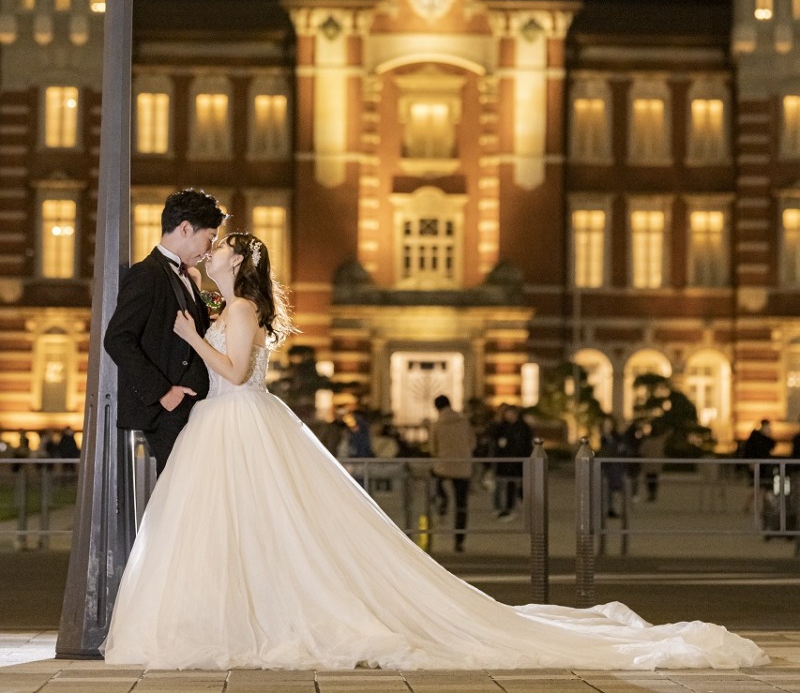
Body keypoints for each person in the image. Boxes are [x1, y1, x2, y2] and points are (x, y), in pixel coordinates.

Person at [104, 231, 766, 672]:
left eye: (220, 248)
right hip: (226, 427)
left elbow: (238, 366)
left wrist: (193, 339)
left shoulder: (240, 308)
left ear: (240, 264)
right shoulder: (228, 298)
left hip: (238, 420)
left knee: (271, 531)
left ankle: (251, 620)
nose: (211, 251)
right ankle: (239, 619)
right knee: (249, 531)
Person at [104, 188, 227, 474]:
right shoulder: (147, 274)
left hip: (190, 409)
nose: (209, 249)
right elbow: (117, 338)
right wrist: (163, 393)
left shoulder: (183, 275)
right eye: (209, 238)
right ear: (185, 228)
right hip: (169, 411)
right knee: (180, 493)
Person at [429, 393, 476, 552]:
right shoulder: (463, 421)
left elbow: (432, 448)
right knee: (462, 505)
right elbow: (472, 442)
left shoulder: (437, 424)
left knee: (434, 478)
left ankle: (442, 500)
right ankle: (459, 540)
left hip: (444, 466)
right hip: (463, 467)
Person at [491, 404, 533, 518]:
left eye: (511, 414)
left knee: (517, 485)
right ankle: (504, 508)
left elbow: (524, 445)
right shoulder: (502, 426)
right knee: (507, 485)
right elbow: (494, 439)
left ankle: (514, 508)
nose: (508, 416)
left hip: (518, 461)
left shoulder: (522, 427)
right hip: (504, 461)